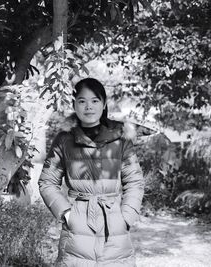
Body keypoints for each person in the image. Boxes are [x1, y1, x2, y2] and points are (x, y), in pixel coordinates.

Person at [38, 78, 145, 267]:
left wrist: (126, 217)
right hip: (77, 225)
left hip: (114, 225)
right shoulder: (64, 139)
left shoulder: (121, 139)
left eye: (95, 100)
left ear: (104, 104)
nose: (89, 107)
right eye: (82, 101)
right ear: (74, 104)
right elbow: (47, 181)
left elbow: (134, 181)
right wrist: (67, 214)